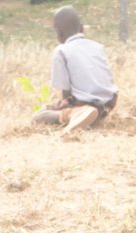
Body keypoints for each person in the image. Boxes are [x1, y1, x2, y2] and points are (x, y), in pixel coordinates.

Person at [33, 6, 117, 136]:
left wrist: (65, 106)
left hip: (86, 104)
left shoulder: (61, 51)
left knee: (39, 116)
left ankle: (76, 114)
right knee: (66, 107)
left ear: (59, 33)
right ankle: (87, 115)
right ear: (82, 28)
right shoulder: (98, 47)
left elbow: (66, 91)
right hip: (109, 103)